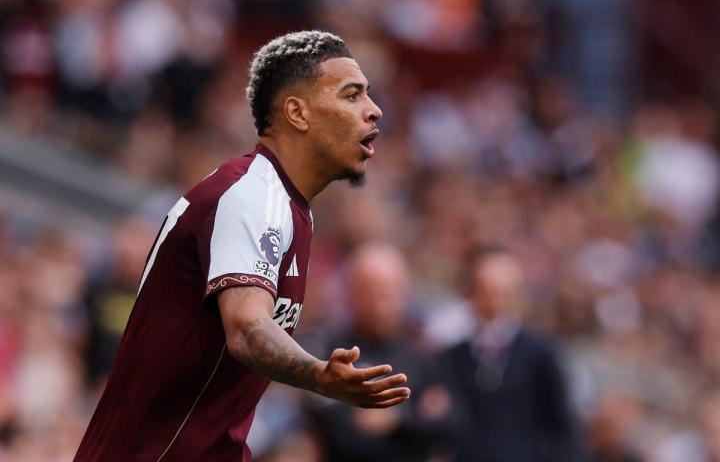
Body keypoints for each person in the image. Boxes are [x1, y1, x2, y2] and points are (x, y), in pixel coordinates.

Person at [74, 30, 411, 462]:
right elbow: (248, 330)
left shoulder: (291, 208)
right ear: (297, 113)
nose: (374, 109)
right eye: (352, 95)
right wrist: (319, 376)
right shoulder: (253, 196)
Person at [307, 242, 459, 462]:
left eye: (392, 292)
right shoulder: (332, 352)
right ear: (352, 294)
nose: (384, 303)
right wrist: (418, 414)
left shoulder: (421, 354)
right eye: (372, 292)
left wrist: (399, 419)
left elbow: (451, 425)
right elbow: (338, 432)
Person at [439, 246, 588, 462]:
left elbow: (563, 422)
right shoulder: (452, 358)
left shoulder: (540, 353)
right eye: (484, 290)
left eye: (502, 292)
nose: (493, 300)